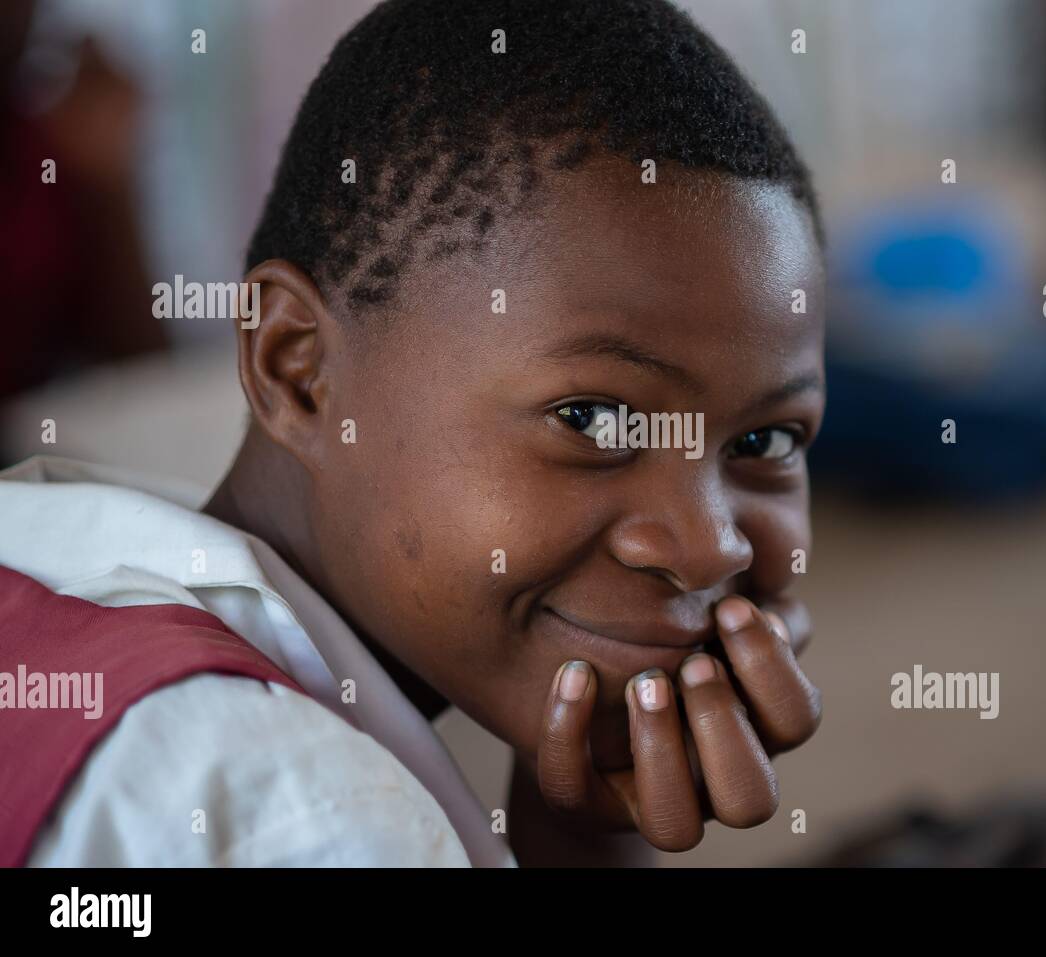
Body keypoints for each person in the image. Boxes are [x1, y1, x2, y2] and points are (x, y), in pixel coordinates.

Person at [0, 0, 825, 867]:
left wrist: (581, 825)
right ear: (297, 372)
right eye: (592, 418)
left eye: (764, 443)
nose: (708, 546)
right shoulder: (318, 820)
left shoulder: (45, 550)